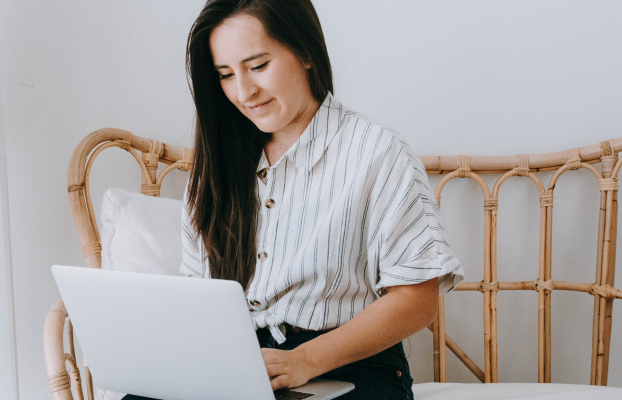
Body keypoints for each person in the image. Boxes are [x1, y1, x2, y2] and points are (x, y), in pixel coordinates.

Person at [122, 0, 463, 398]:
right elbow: (199, 293)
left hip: (351, 366)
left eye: (258, 66)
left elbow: (417, 302)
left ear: (305, 52)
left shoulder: (377, 152)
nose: (243, 91)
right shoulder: (217, 164)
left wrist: (306, 360)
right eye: (226, 75)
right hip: (243, 362)